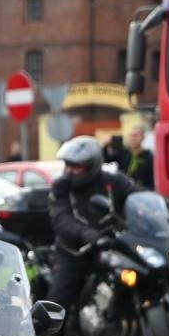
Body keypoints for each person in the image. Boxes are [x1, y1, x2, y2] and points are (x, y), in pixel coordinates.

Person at [46, 134, 135, 315]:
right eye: (68, 165)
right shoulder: (61, 186)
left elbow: (136, 194)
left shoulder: (112, 180)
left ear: (92, 165)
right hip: (75, 252)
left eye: (76, 166)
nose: (70, 170)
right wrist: (86, 233)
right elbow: (61, 218)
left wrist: (167, 206)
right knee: (57, 304)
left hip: (111, 247)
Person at [122, 125, 154, 190]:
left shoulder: (149, 157)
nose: (133, 138)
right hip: (124, 191)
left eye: (136, 135)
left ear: (143, 137)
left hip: (143, 191)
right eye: (131, 135)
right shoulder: (123, 154)